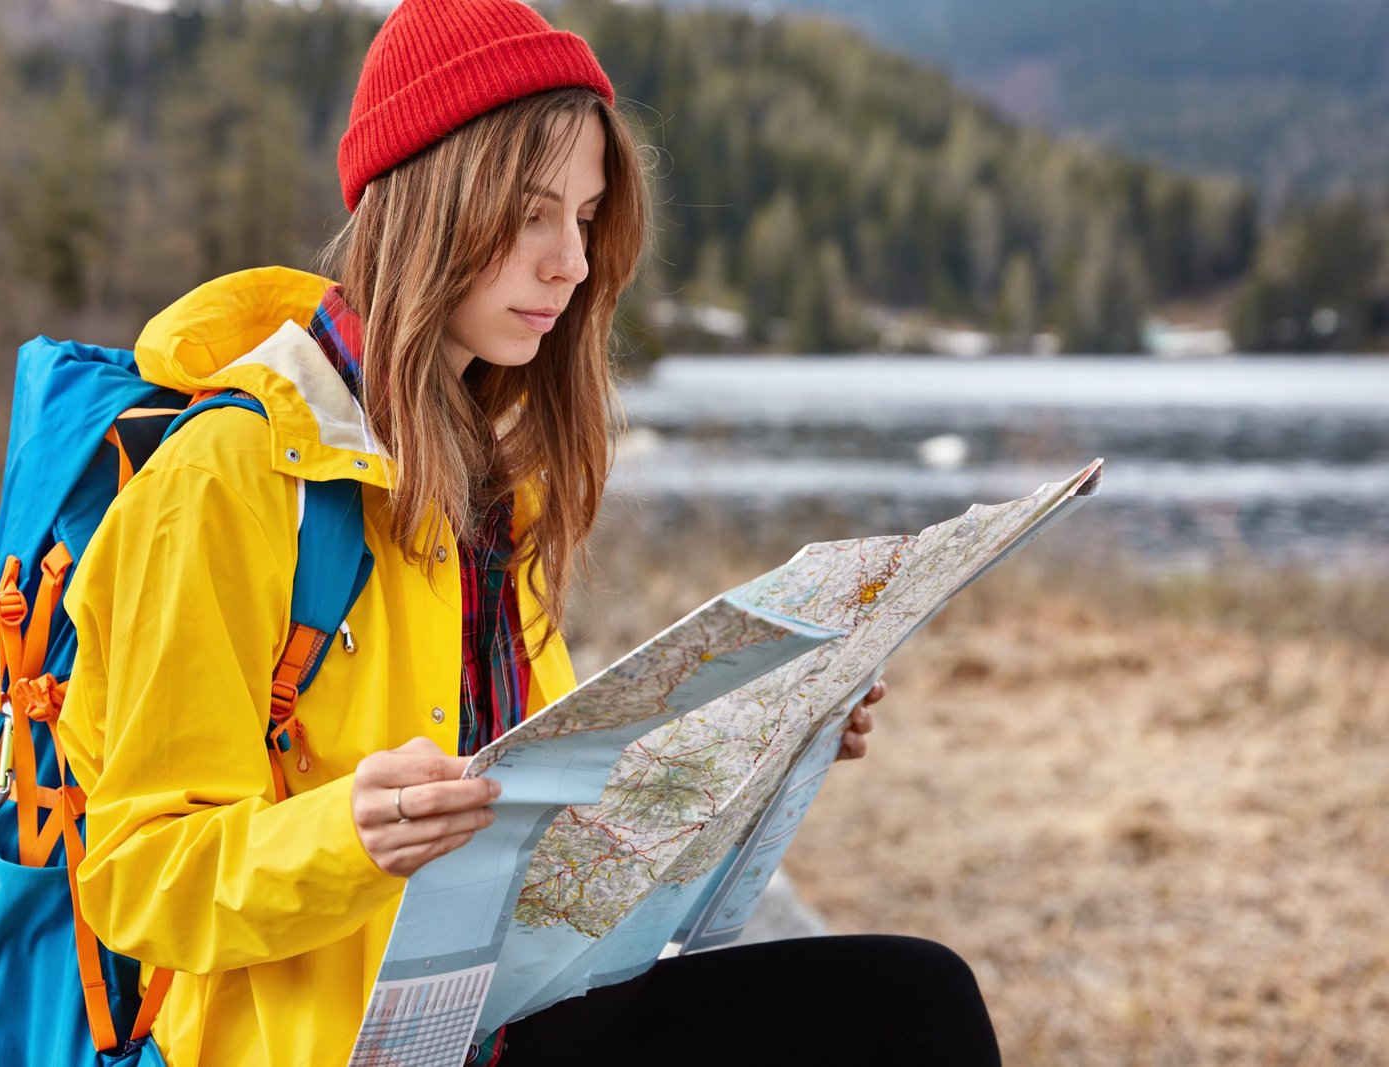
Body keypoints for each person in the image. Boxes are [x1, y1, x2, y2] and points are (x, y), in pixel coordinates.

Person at [57, 0, 1001, 1064]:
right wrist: (347, 835)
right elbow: (139, 877)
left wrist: (771, 738)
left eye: (587, 217)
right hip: (328, 1041)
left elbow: (548, 801)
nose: (572, 262)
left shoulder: (493, 481)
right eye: (532, 212)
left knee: (908, 999)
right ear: (426, 199)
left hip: (507, 1014)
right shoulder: (225, 472)